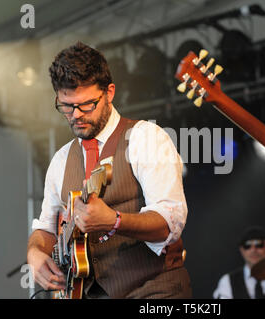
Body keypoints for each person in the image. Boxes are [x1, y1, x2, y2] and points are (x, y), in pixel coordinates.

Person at [27, 42, 191, 299]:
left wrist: (114, 221)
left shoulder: (146, 139)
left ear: (109, 92)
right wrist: (35, 253)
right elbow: (46, 229)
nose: (76, 115)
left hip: (154, 291)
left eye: (86, 105)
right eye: (66, 106)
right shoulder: (60, 161)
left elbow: (169, 224)